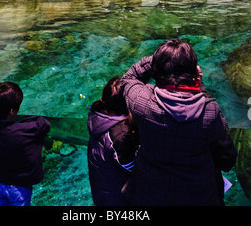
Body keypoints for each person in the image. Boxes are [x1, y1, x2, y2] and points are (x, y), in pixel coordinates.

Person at [120, 39, 237, 206]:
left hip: (151, 192)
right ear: (194, 72)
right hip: (198, 195)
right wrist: (199, 84)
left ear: (158, 70)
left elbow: (129, 78)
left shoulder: (142, 102)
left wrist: (158, 60)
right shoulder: (210, 111)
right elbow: (226, 157)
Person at [0, 81, 50, 206]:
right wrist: (22, 121)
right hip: (18, 188)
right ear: (12, 111)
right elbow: (43, 123)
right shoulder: (28, 129)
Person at [87, 76, 139, 206]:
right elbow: (131, 168)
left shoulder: (97, 113)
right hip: (117, 198)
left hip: (102, 192)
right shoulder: (120, 135)